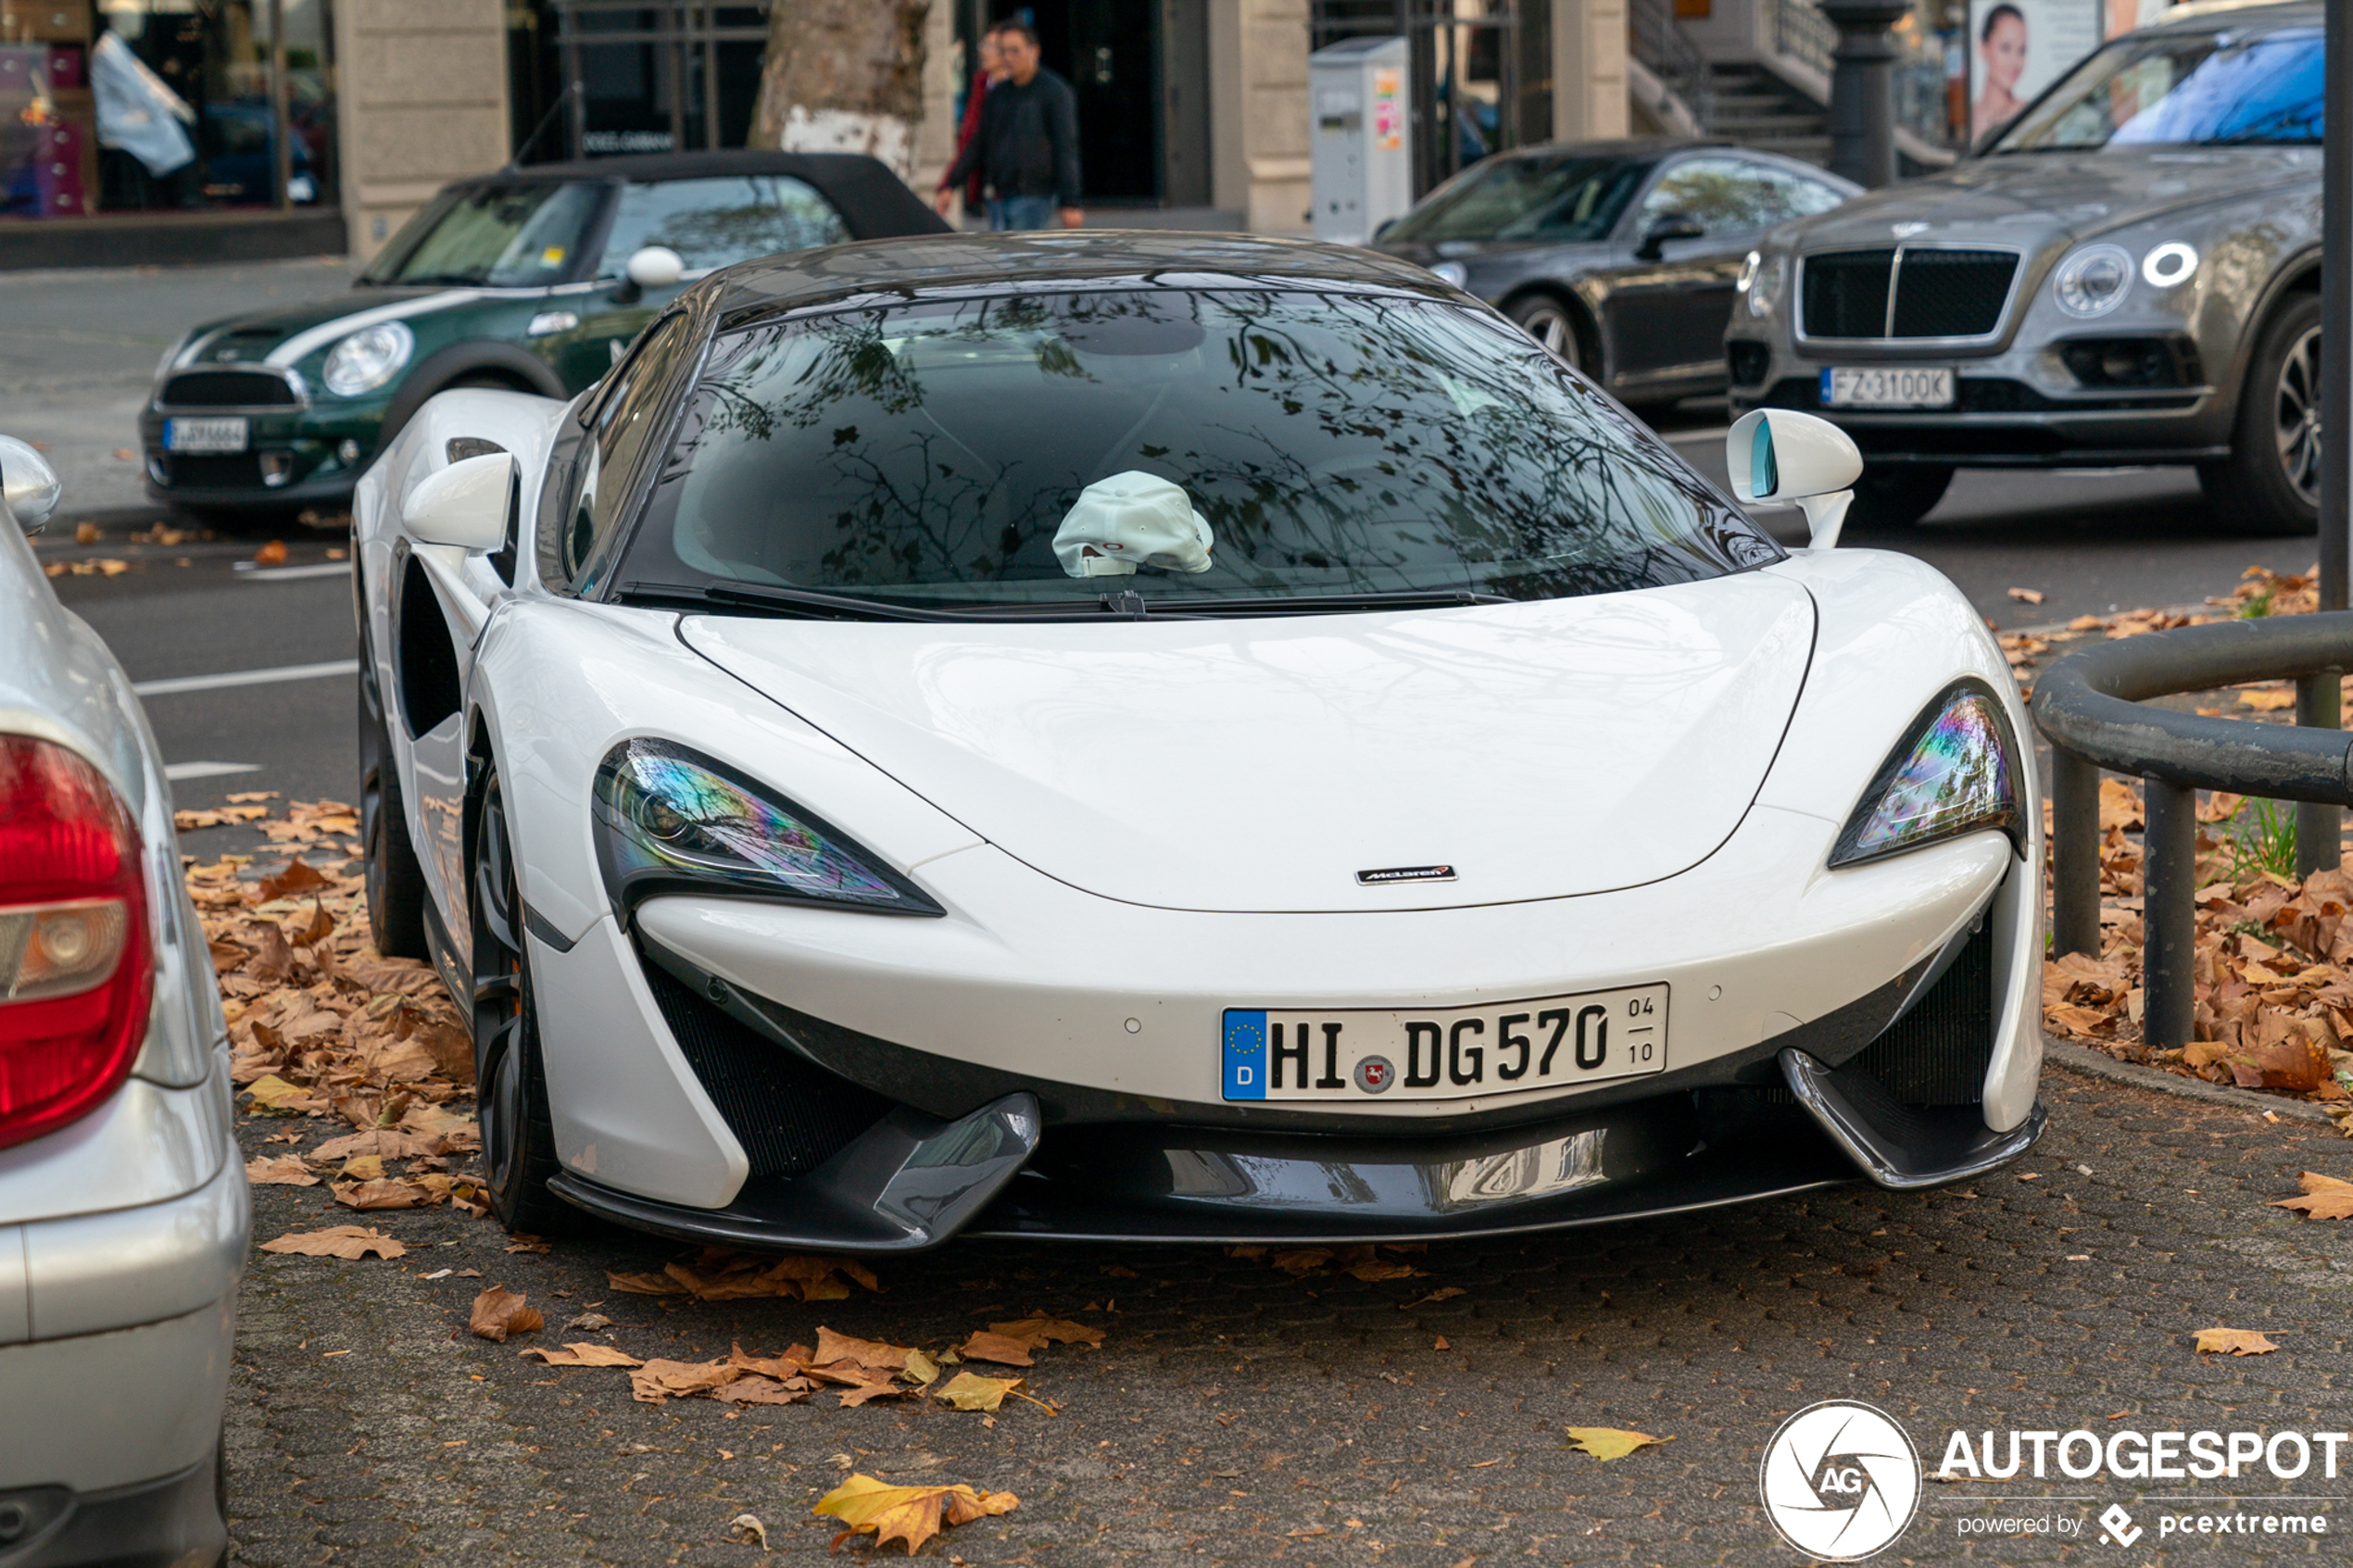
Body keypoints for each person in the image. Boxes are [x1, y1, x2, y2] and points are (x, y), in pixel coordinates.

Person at [936, 21, 1083, 232]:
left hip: (1035, 196)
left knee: (1021, 260)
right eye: (1003, 51)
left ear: (1034, 51)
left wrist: (1071, 202)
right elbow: (978, 143)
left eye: (1015, 51)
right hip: (999, 196)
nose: (1009, 58)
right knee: (1003, 260)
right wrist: (950, 184)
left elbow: (1066, 147)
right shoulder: (997, 94)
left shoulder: (1055, 92)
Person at [943, 28, 1006, 218]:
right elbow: (973, 138)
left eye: (990, 46)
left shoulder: (1021, 91)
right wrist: (949, 183)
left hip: (1021, 191)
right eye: (983, 45)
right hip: (993, 186)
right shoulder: (983, 84)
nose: (983, 51)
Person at [1972, 4, 2030, 144]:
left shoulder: (2029, 114)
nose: (2015, 62)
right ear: (1982, 48)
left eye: (2021, 51)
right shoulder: (1967, 115)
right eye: (2005, 48)